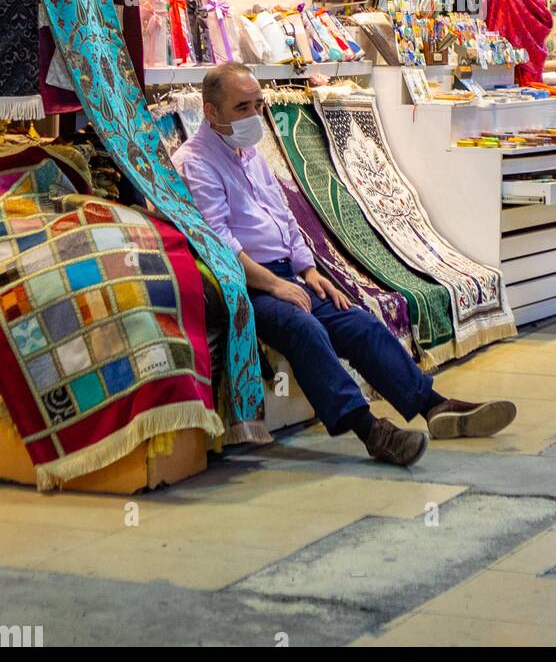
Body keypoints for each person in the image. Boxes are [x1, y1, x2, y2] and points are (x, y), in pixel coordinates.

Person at [173, 63, 517, 467]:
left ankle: (435, 405)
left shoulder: (248, 155)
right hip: (243, 286)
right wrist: (274, 284)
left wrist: (309, 271)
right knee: (306, 329)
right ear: (211, 113)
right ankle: (371, 431)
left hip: (287, 274)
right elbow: (218, 243)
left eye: (257, 105)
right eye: (242, 107)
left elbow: (284, 217)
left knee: (359, 322)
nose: (254, 116)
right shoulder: (195, 163)